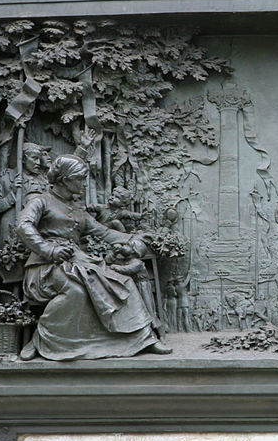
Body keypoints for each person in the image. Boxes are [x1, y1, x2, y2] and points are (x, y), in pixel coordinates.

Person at [16, 154, 170, 360]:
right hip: (45, 267)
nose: (83, 184)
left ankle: (144, 339)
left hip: (79, 263)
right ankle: (39, 339)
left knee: (123, 282)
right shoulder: (41, 201)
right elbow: (23, 226)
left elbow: (104, 232)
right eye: (79, 179)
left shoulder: (78, 210)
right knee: (77, 292)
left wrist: (136, 238)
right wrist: (49, 250)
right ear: (64, 180)